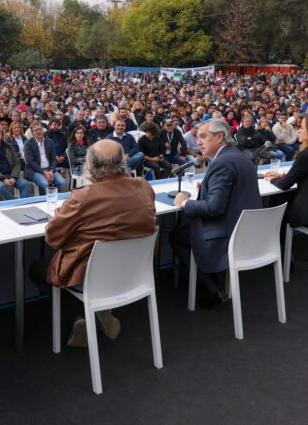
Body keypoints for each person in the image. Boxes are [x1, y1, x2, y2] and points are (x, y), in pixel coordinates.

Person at [39, 139, 156, 347]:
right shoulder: (143, 187)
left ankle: (90, 313)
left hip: (93, 275)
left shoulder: (82, 197)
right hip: (134, 271)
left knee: (37, 268)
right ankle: (99, 313)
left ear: (90, 166)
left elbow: (53, 238)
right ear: (122, 162)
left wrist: (61, 213)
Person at [170, 119, 261, 309]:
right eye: (197, 137)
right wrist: (208, 187)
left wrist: (185, 202)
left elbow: (214, 209)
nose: (199, 142)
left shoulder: (222, 163)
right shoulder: (238, 156)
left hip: (226, 234)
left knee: (176, 235)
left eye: (203, 136)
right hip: (246, 231)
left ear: (220, 137)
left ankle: (208, 286)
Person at [0, 125, 31, 200]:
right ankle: (15, 203)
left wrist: (13, 177)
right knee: (1, 187)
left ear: (1, 135)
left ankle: (24, 204)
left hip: (10, 173)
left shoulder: (8, 147)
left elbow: (17, 163)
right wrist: (3, 179)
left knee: (25, 185)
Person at [23, 121, 67, 194]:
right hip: (35, 170)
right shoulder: (28, 144)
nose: (39, 131)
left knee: (62, 183)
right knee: (44, 184)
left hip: (49, 169)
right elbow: (30, 162)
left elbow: (53, 159)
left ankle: (51, 195)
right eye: (36, 130)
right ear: (32, 133)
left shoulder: (49, 141)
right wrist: (43, 172)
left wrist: (51, 171)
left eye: (40, 129)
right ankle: (44, 199)